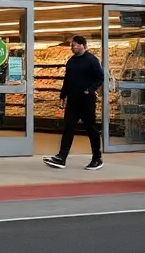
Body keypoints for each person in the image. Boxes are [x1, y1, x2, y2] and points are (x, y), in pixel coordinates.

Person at [43, 35, 105, 171]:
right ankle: (61, 157)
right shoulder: (71, 61)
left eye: (75, 44)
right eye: (72, 44)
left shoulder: (92, 60)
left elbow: (100, 77)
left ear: (83, 45)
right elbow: (67, 80)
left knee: (91, 129)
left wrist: (89, 90)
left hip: (87, 101)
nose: (72, 46)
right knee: (68, 128)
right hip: (72, 101)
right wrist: (63, 95)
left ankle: (97, 158)